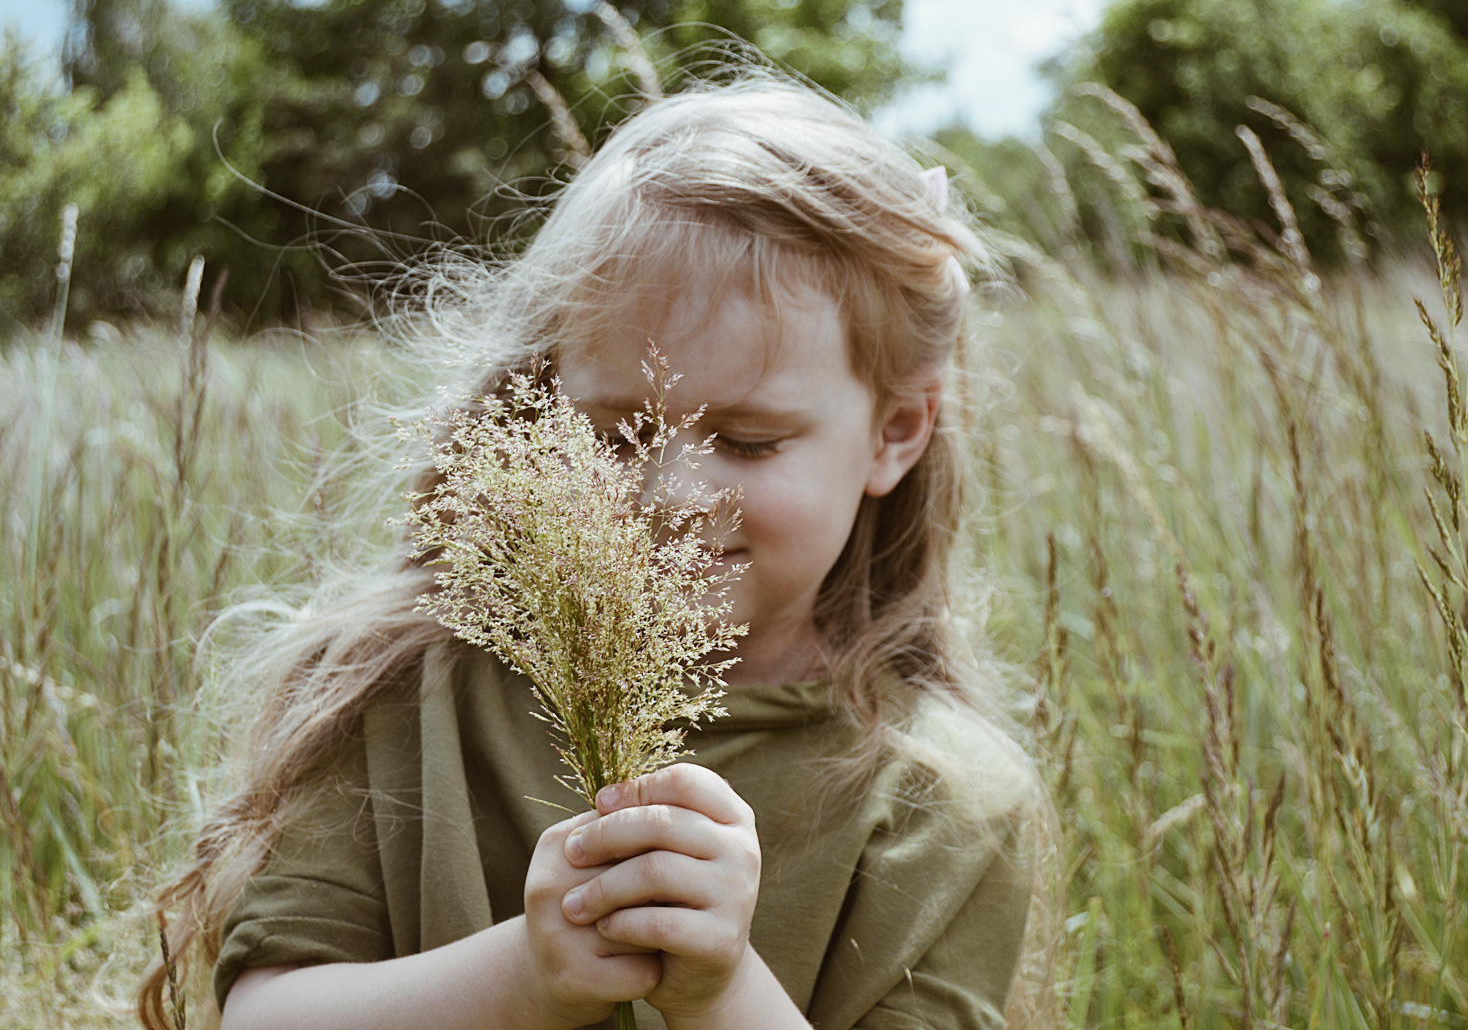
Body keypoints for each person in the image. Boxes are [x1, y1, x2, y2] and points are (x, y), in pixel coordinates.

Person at [138, 77, 1047, 1030]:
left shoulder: (945, 801)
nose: (670, 498)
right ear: (539, 409)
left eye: (748, 442)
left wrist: (720, 990)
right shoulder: (406, 685)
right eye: (615, 437)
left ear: (896, 432)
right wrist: (527, 976)